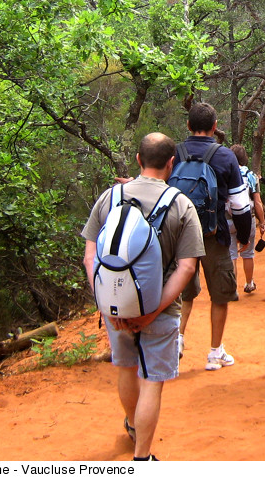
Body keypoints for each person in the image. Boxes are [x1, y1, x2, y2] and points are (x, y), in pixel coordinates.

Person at [81, 133, 204, 461]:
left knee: (126, 369)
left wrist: (109, 306)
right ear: (171, 164)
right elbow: (187, 267)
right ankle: (142, 456)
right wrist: (152, 311)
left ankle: (133, 426)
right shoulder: (181, 205)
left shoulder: (110, 198)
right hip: (161, 310)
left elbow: (90, 258)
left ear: (138, 159)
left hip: (116, 305)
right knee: (152, 381)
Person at [175, 103, 252, 370]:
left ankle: (177, 340)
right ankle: (215, 353)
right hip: (214, 235)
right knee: (220, 294)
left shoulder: (175, 153)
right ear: (215, 126)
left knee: (182, 292)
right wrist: (243, 236)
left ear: (188, 125)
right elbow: (240, 205)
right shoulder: (225, 156)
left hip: (179, 236)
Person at [228, 144, 265, 294]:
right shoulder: (251, 176)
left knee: (231, 255)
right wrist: (262, 222)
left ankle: (232, 289)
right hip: (247, 218)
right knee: (248, 254)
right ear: (244, 158)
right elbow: (257, 202)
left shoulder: (225, 173)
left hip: (228, 219)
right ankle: (249, 283)